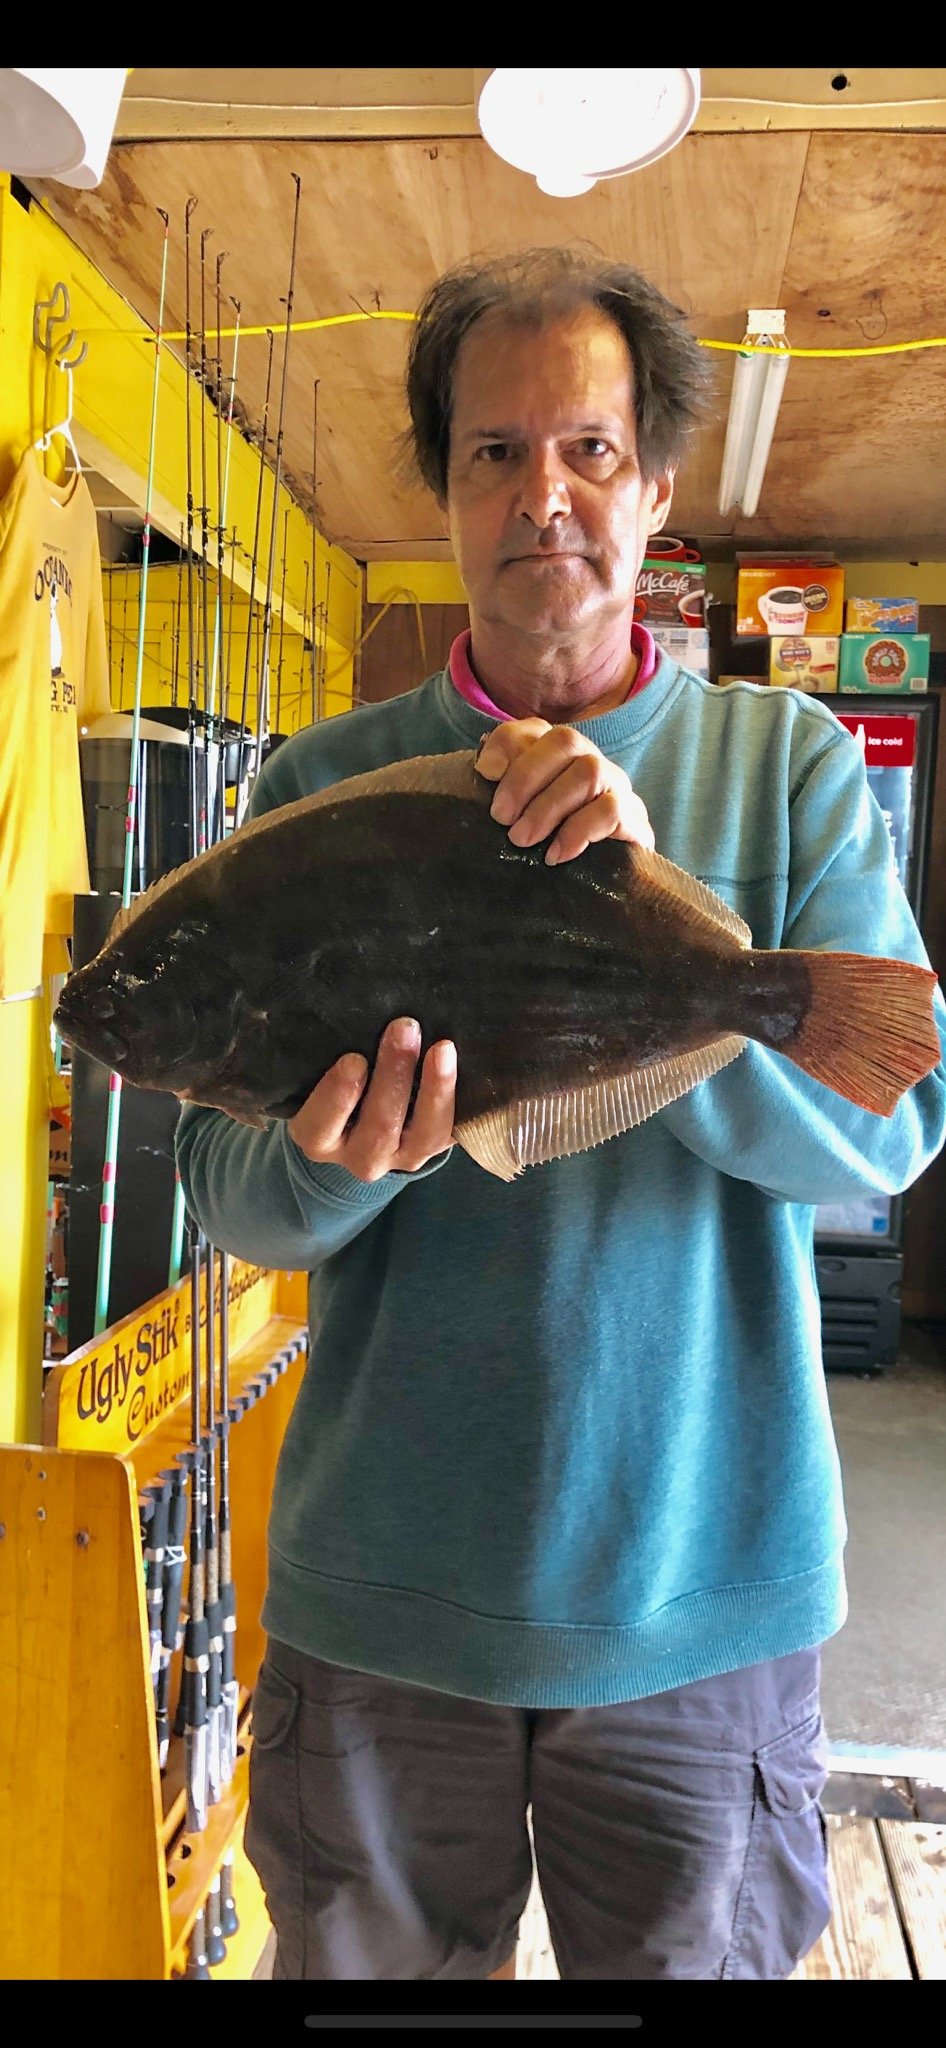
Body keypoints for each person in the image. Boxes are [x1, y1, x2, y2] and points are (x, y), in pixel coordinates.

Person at [176, 246, 946, 1982]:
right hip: (384, 1591)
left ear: (656, 487)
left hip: (702, 1595)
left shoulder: (789, 766)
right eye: (494, 452)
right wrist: (336, 1161)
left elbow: (890, 1126)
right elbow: (229, 1193)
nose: (544, 497)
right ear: (444, 492)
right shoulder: (319, 786)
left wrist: (652, 923)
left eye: (589, 450)